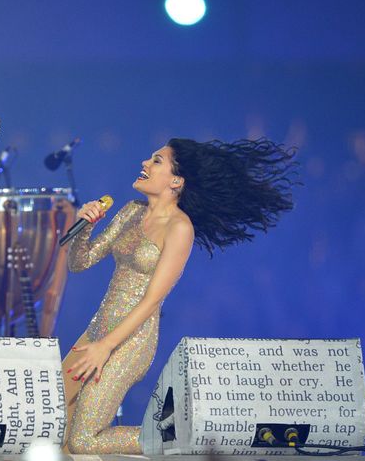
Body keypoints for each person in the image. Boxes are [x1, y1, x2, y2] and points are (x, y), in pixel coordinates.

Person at [62, 138, 297, 454]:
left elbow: (151, 300)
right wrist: (85, 227)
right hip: (96, 332)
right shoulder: (131, 211)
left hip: (130, 344)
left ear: (177, 181)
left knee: (82, 439)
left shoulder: (179, 228)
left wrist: (106, 347)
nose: (145, 163)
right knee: (53, 423)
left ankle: (180, 439)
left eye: (156, 160)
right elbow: (80, 263)